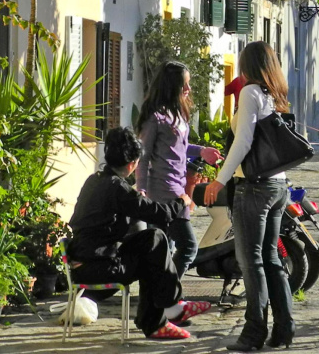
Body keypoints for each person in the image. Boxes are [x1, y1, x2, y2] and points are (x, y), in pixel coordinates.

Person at [68, 127, 211, 339]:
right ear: (132, 163)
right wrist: (182, 201)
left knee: (152, 240)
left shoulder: (94, 180)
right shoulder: (117, 188)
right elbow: (157, 214)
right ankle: (166, 311)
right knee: (153, 248)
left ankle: (161, 316)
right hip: (99, 269)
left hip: (85, 261)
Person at [204, 41, 295, 351]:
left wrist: (219, 180)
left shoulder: (250, 93)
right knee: (270, 258)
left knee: (250, 261)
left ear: (247, 66)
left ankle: (254, 332)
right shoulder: (275, 95)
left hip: (253, 187)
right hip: (278, 185)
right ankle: (284, 328)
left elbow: (241, 143)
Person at [135, 61, 222, 279]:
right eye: (185, 84)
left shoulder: (177, 116)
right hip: (164, 191)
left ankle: (159, 294)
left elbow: (178, 148)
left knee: (165, 248)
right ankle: (167, 292)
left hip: (178, 186)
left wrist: (201, 151)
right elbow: (143, 156)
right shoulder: (156, 118)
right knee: (188, 247)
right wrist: (142, 188)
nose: (188, 89)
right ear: (172, 86)